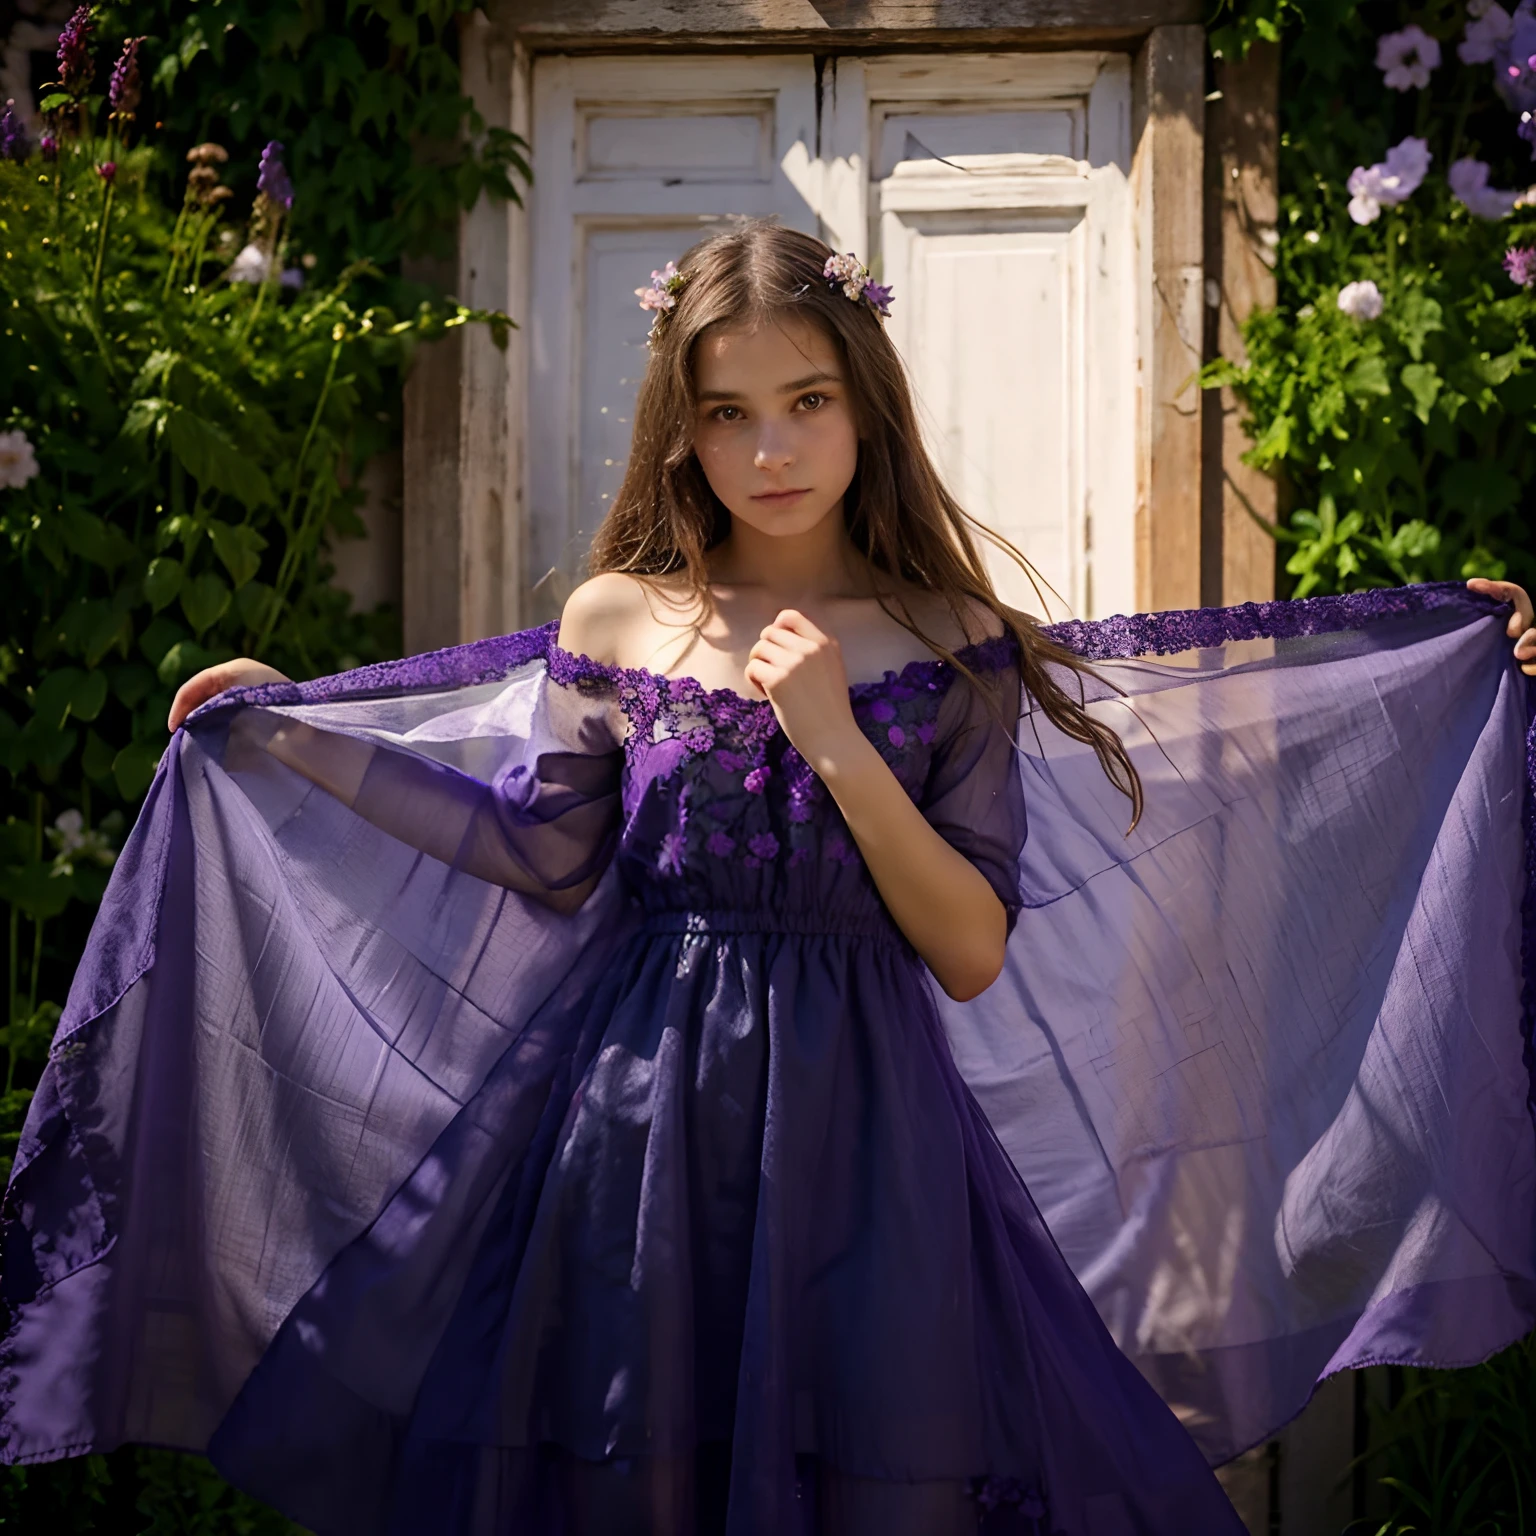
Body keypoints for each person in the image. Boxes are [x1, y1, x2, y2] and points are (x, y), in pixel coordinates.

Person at [2, 222, 1533, 1536]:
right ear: (683, 431)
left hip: (869, 1138)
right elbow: (543, 848)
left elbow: (972, 948)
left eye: (806, 402)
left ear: (866, 408)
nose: (773, 449)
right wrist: (296, 737)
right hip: (632, 1127)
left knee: (879, 1475)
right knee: (635, 1474)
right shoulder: (616, 617)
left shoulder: (954, 641)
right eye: (729, 415)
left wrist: (837, 746)